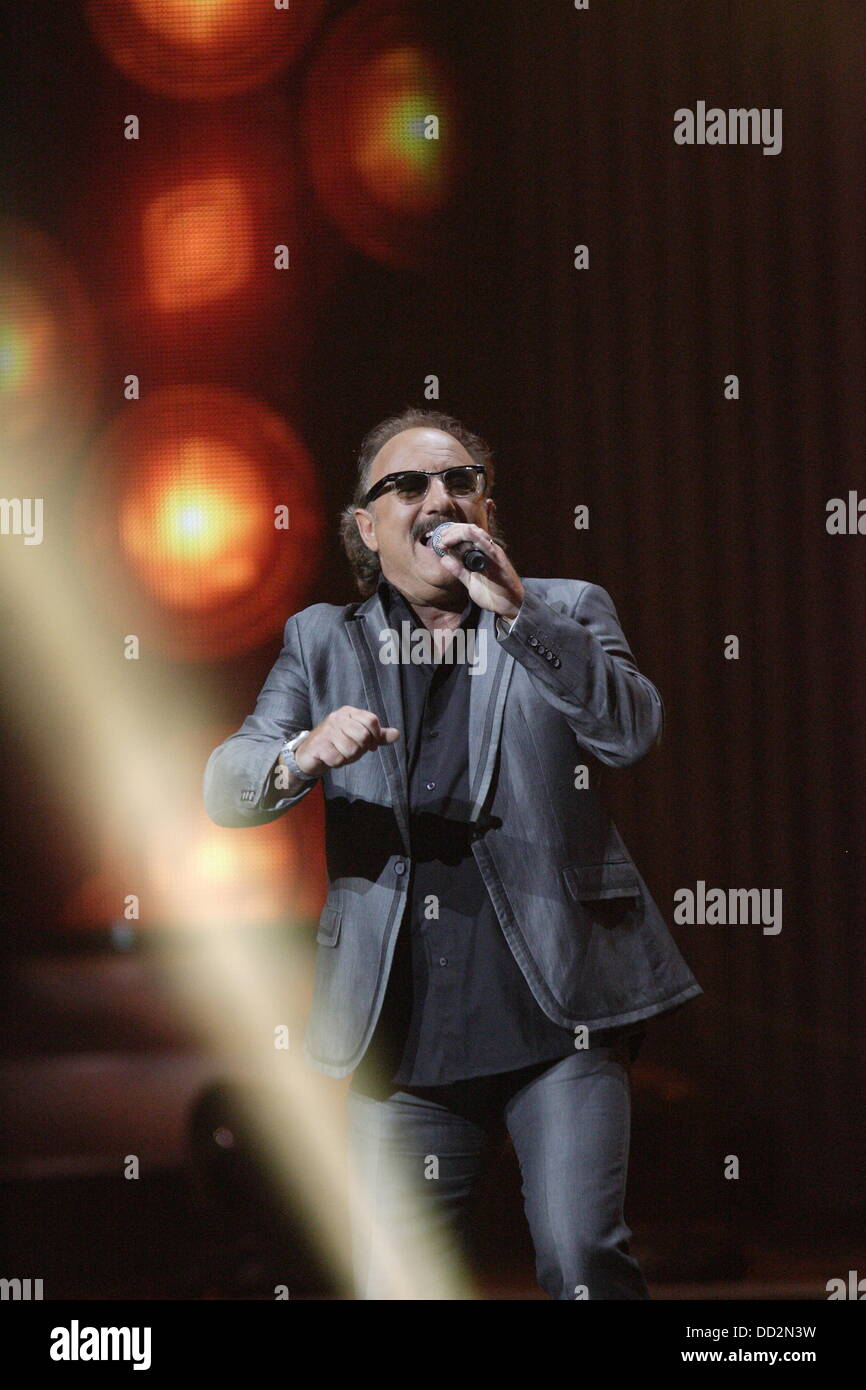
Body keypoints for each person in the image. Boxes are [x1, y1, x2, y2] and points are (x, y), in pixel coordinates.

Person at [203, 407, 702, 1299]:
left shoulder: (564, 608)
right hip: (403, 1029)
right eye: (407, 485)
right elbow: (225, 783)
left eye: (459, 481)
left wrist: (521, 613)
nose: (439, 497)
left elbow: (631, 732)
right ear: (365, 525)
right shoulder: (321, 640)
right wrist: (300, 754)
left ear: (487, 508)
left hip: (560, 1003)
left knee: (581, 1256)